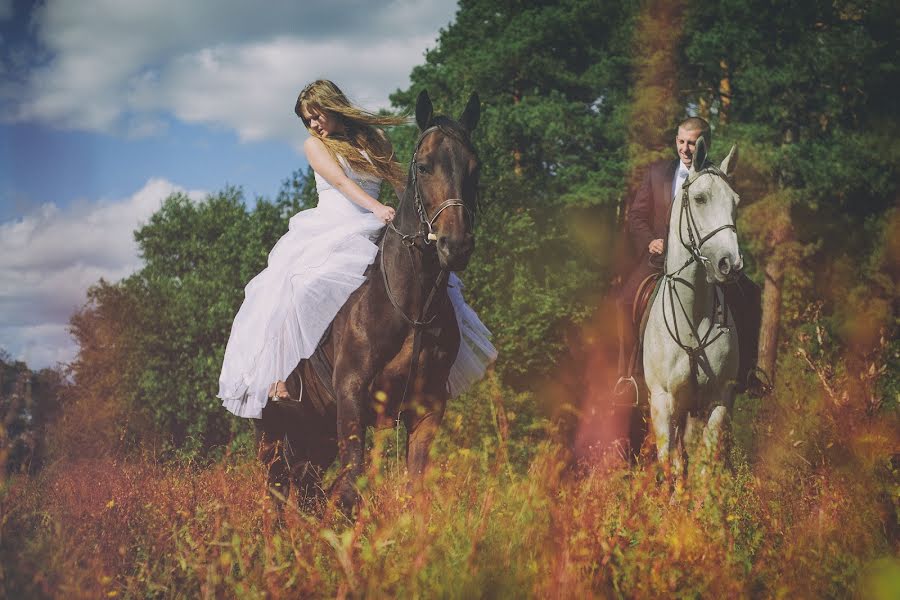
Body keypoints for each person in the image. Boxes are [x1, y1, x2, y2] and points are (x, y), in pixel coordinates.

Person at [218, 80, 496, 419]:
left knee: (432, 283)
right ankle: (283, 378)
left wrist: (412, 217)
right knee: (297, 286)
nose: (313, 125)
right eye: (307, 120)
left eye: (316, 115)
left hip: (378, 224)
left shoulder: (374, 140)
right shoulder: (315, 146)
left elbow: (398, 181)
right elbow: (341, 182)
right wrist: (375, 208)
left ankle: (431, 369)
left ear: (332, 106)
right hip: (333, 225)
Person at [616, 116, 763, 393]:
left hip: (705, 261)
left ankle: (747, 372)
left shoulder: (715, 178)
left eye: (692, 143)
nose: (685, 149)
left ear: (704, 145)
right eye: (681, 142)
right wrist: (650, 241)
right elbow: (636, 217)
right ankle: (629, 376)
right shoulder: (657, 173)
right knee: (624, 302)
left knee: (751, 294)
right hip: (661, 259)